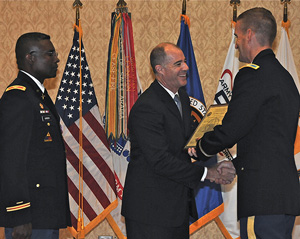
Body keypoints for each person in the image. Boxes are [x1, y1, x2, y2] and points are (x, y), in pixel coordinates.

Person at [193, 8, 300, 239]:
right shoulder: (285, 78)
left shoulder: (252, 75)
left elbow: (232, 129)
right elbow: (269, 140)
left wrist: (199, 149)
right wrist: (236, 163)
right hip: (284, 198)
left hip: (262, 197)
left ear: (249, 35)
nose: (237, 43)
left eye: (237, 36)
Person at [121, 42, 235, 239]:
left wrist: (220, 136)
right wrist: (209, 173)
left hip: (176, 208)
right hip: (150, 212)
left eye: (185, 62)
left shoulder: (181, 97)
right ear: (160, 70)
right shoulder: (146, 107)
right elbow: (161, 161)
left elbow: (188, 143)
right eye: (178, 64)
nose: (186, 68)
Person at [0, 32, 71, 239]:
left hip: (45, 211)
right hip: (29, 217)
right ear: (30, 57)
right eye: (50, 53)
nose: (57, 58)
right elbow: (10, 160)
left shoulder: (37, 95)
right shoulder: (18, 98)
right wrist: (19, 214)